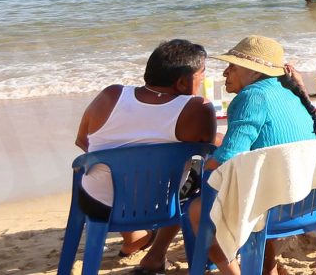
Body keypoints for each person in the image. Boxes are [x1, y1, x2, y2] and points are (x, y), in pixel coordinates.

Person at [74, 40, 216, 271]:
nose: (203, 79)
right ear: (182, 82)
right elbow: (205, 150)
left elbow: (83, 142)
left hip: (98, 203)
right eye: (202, 74)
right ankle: (156, 254)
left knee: (110, 175)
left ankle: (133, 237)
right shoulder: (198, 108)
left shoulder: (111, 95)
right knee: (196, 178)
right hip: (162, 203)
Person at [188, 36, 316, 275]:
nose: (225, 73)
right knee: (258, 184)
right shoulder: (290, 93)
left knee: (196, 210)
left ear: (253, 72)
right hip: (306, 199)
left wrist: (201, 166)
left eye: (232, 67)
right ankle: (267, 268)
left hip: (273, 204)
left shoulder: (251, 97)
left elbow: (229, 155)